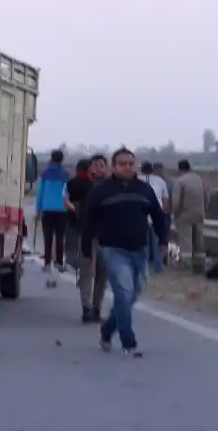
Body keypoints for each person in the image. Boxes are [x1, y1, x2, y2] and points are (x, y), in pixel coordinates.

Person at [82, 148, 167, 357]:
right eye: (122, 164)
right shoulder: (101, 191)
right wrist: (86, 249)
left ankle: (107, 329)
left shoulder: (144, 190)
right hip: (112, 250)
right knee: (123, 291)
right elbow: (88, 222)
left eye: (131, 163)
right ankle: (128, 341)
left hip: (139, 250)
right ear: (114, 166)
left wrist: (163, 240)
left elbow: (158, 216)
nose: (127, 167)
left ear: (135, 164)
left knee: (132, 294)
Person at [75, 153, 108, 322]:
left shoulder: (112, 187)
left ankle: (97, 308)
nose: (98, 168)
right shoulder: (82, 185)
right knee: (87, 272)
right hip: (89, 234)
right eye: (95, 165)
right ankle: (86, 308)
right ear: (89, 168)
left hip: (108, 237)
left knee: (103, 274)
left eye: (102, 165)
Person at [35, 149, 69, 273]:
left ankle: (47, 263)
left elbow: (40, 193)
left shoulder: (45, 173)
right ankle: (59, 262)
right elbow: (67, 193)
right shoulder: (65, 174)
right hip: (61, 209)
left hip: (47, 209)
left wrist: (38, 210)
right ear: (62, 159)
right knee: (60, 237)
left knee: (48, 237)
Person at [171, 159, 207, 272]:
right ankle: (200, 264)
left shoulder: (180, 181)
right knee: (199, 240)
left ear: (179, 169)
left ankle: (186, 265)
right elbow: (207, 196)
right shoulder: (200, 179)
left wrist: (175, 213)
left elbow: (176, 201)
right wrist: (203, 209)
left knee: (186, 240)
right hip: (199, 213)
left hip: (184, 214)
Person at [139, 161, 170, 273]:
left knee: (144, 243)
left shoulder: (137, 180)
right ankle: (158, 266)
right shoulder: (160, 181)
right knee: (158, 241)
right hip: (157, 215)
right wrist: (164, 215)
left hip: (141, 216)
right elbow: (165, 200)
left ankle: (145, 266)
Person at [62, 159, 91, 272]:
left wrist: (73, 208)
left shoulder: (70, 182)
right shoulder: (92, 184)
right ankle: (83, 264)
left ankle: (72, 264)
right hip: (88, 217)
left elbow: (64, 199)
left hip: (72, 215)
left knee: (71, 240)